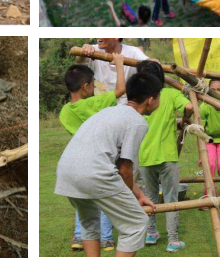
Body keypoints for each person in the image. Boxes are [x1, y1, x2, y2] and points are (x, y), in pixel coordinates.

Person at [55, 73, 162, 257]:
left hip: (67, 172)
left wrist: (140, 194)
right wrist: (132, 200)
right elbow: (125, 170)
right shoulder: (137, 122)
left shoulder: (110, 111)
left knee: (89, 222)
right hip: (93, 174)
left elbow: (118, 164)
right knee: (136, 223)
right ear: (151, 100)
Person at [59, 54, 127, 251]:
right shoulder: (95, 104)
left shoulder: (65, 112)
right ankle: (106, 238)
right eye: (93, 84)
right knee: (105, 196)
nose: (94, 87)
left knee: (84, 201)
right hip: (101, 158)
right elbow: (121, 90)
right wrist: (120, 65)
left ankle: (80, 237)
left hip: (78, 159)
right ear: (85, 86)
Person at [133, 60, 191, 252]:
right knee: (171, 197)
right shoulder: (171, 94)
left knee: (150, 197)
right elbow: (189, 107)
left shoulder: (139, 99)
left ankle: (151, 233)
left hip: (145, 156)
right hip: (167, 156)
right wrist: (185, 121)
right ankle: (172, 240)